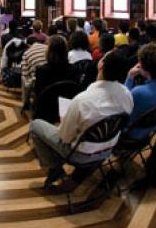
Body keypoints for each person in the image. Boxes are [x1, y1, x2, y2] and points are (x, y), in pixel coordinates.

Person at [30, 51, 133, 187]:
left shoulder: (82, 100)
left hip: (80, 154)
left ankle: (55, 167)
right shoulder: (127, 94)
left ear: (101, 66)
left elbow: (65, 138)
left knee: (35, 125)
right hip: (108, 149)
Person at [124, 44, 156, 139]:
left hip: (132, 135)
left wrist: (129, 77)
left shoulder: (138, 92)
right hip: (153, 128)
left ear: (145, 70)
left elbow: (122, 104)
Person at [21, 37, 47, 106]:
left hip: (37, 82)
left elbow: (25, 74)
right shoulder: (47, 47)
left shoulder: (26, 53)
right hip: (53, 81)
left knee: (23, 78)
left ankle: (26, 103)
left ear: (28, 45)